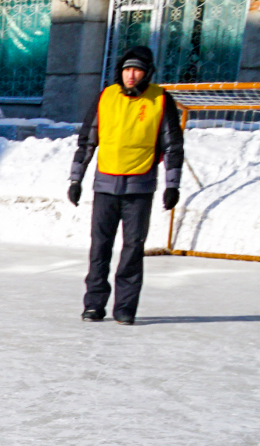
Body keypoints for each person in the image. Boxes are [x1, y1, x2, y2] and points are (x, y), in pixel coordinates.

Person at [68, 45, 183, 325]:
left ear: (147, 73)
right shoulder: (106, 97)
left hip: (140, 188)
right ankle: (94, 305)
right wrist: (75, 179)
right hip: (105, 185)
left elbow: (173, 145)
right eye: (127, 69)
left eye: (137, 70)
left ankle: (125, 308)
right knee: (100, 248)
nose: (131, 75)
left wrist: (172, 185)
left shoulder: (160, 99)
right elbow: (87, 141)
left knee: (133, 248)